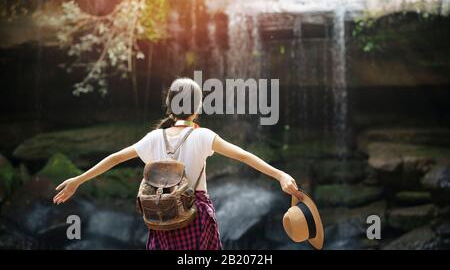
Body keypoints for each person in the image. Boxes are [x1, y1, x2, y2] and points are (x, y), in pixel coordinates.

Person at [53, 77, 303, 250]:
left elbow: (115, 158)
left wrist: (78, 180)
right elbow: (244, 156)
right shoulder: (203, 136)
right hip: (196, 217)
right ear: (197, 108)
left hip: (162, 218)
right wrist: (280, 175)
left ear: (170, 107)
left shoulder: (152, 139)